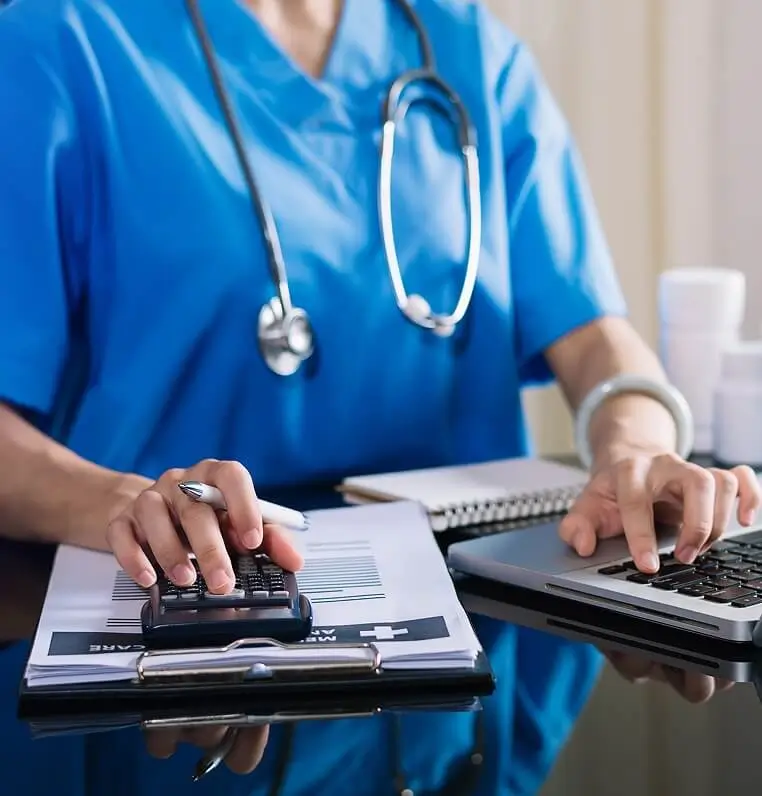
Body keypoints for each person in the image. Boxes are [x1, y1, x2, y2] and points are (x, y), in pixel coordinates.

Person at [0, 0, 759, 792]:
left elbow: (595, 337)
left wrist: (634, 448)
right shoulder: (59, 44)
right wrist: (123, 503)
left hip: (467, 660)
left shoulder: (471, 53)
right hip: (193, 633)